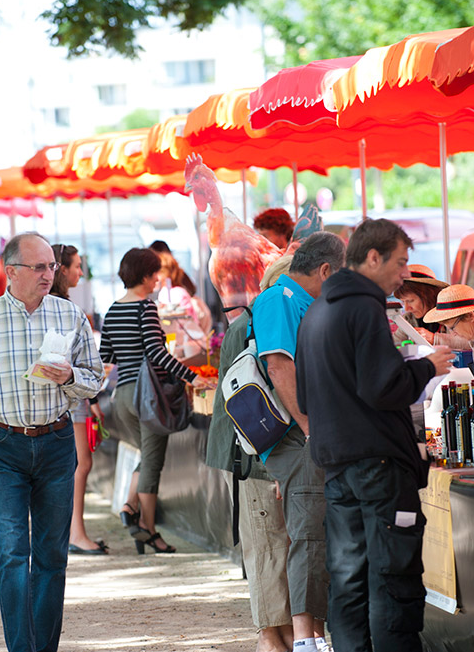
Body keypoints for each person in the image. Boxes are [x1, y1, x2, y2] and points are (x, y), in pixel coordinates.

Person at [296, 219, 453, 652]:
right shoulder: (363, 308)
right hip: (378, 466)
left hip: (337, 464)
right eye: (400, 263)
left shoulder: (318, 310)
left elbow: (306, 397)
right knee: (392, 578)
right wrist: (426, 367)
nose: (404, 274)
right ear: (372, 258)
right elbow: (383, 387)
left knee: (349, 579)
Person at [0, 233, 103, 652]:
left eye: (52, 266)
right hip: (2, 445)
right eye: (39, 267)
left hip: (55, 442)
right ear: (11, 271)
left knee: (52, 556)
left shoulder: (70, 317)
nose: (49, 274)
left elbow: (94, 379)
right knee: (14, 552)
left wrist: (70, 378)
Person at [252, 232, 346, 652]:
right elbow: (278, 365)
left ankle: (313, 634)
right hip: (298, 436)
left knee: (316, 532)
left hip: (311, 433)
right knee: (308, 534)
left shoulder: (303, 300)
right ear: (325, 270)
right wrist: (308, 426)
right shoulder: (279, 298)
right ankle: (307, 639)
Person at [206, 254, 294, 652]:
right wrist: (273, 462)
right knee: (267, 543)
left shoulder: (252, 321)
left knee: (274, 543)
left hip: (257, 452)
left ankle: (284, 630)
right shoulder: (255, 325)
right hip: (255, 454)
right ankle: (271, 634)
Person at [100, 248, 213, 554]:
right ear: (145, 276)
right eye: (154, 275)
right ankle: (148, 530)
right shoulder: (145, 308)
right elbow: (158, 354)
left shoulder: (113, 309)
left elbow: (106, 357)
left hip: (122, 396)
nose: (157, 280)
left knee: (146, 455)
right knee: (152, 461)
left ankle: (130, 507)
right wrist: (190, 377)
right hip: (147, 396)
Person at [50, 243, 106, 554]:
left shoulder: (56, 305)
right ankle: (76, 534)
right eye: (76, 266)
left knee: (77, 465)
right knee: (81, 464)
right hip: (72, 399)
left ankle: (73, 533)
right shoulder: (63, 309)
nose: (81, 272)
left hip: (70, 397)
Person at [393, 264, 472, 349]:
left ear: (427, 295)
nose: (407, 308)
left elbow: (469, 342)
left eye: (410, 301)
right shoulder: (408, 319)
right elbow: (393, 344)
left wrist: (434, 338)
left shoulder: (450, 313)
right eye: (403, 302)